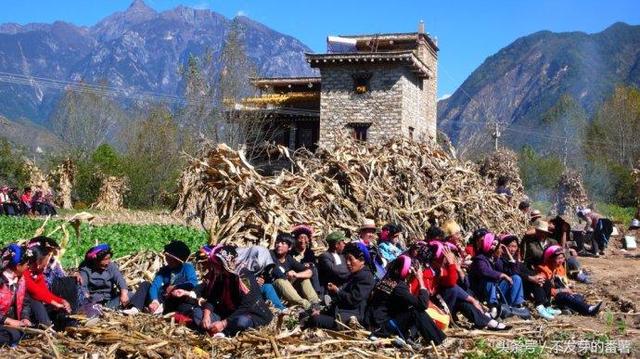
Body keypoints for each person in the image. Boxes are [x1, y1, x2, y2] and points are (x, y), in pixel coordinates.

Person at [193, 245, 273, 337]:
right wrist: (206, 316)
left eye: (217, 263)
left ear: (226, 263)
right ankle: (217, 330)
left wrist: (223, 323)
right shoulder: (221, 275)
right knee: (198, 313)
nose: (214, 267)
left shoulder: (243, 276)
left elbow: (247, 305)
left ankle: (223, 332)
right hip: (229, 313)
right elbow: (212, 298)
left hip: (250, 314)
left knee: (241, 322)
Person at [366, 255, 446, 347]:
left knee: (410, 308)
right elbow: (422, 304)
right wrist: (421, 281)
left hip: (375, 322)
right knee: (416, 311)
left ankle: (410, 336)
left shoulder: (385, 281)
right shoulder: (399, 287)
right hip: (382, 326)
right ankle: (439, 341)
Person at [306, 242, 375, 330]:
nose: (348, 263)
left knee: (315, 320)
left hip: (350, 317)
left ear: (362, 260)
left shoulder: (366, 277)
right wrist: (322, 311)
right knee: (308, 313)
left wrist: (337, 291)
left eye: (351, 259)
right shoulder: (355, 275)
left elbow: (353, 300)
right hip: (340, 312)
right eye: (346, 259)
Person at [469, 233, 528, 319]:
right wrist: (502, 275)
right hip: (483, 291)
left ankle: (515, 306)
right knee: (489, 279)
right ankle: (494, 307)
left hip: (496, 290)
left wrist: (510, 256)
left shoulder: (496, 260)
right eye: (498, 247)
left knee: (516, 278)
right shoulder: (480, 259)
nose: (500, 249)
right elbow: (485, 271)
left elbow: (514, 272)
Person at [78, 244, 149, 314]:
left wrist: (124, 294)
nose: (108, 262)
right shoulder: (85, 270)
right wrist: (90, 302)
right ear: (95, 260)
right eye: (105, 259)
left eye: (109, 258)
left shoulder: (111, 266)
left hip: (110, 300)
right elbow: (83, 288)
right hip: (94, 302)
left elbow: (120, 280)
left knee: (130, 295)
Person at [536, 245, 602, 316]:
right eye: (558, 258)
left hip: (562, 293)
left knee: (578, 297)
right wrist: (562, 290)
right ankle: (589, 309)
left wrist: (569, 284)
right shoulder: (543, 270)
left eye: (562, 258)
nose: (561, 261)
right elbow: (546, 290)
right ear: (551, 259)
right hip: (551, 297)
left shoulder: (559, 267)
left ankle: (567, 308)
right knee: (566, 297)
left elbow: (563, 281)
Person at [23, 243, 75, 330]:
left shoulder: (37, 273)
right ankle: (46, 327)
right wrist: (55, 303)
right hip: (23, 307)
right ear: (38, 262)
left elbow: (45, 292)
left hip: (31, 306)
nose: (47, 264)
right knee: (34, 299)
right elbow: (36, 292)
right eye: (46, 261)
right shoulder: (24, 273)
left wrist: (61, 300)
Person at [147, 240, 198, 315]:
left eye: (172, 260)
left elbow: (192, 282)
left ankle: (163, 311)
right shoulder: (164, 270)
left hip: (177, 299)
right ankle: (136, 308)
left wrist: (176, 287)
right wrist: (154, 300)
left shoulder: (187, 268)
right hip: (163, 298)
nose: (169, 261)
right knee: (145, 285)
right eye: (167, 258)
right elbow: (155, 285)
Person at [270, 233, 319, 309]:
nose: (279, 245)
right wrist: (288, 275)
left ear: (289, 247)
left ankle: (316, 303)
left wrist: (296, 275)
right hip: (275, 286)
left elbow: (309, 271)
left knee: (304, 278)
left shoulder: (289, 258)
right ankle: (307, 306)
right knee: (280, 281)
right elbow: (277, 273)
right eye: (277, 242)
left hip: (288, 287)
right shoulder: (270, 254)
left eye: (283, 243)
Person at [234, 245, 287, 312]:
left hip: (251, 289)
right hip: (237, 292)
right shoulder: (237, 259)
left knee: (267, 287)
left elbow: (280, 275)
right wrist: (253, 280)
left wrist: (258, 280)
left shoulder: (259, 263)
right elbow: (237, 279)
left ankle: (281, 309)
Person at [0, 244, 31, 347]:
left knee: (22, 332)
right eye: (26, 264)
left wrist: (25, 318)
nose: (28, 267)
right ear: (18, 266)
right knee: (13, 334)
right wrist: (7, 320)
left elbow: (25, 302)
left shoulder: (20, 280)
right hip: (3, 321)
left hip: (11, 323)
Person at [290, 224, 322, 294]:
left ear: (308, 240)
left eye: (305, 238)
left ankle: (317, 292)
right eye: (300, 238)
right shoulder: (291, 252)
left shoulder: (309, 252)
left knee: (313, 268)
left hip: (308, 277)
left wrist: (310, 264)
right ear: (296, 239)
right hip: (295, 277)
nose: (303, 241)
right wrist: (303, 265)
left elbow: (314, 265)